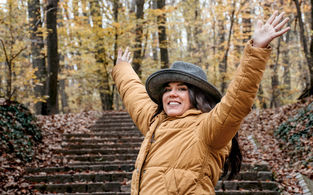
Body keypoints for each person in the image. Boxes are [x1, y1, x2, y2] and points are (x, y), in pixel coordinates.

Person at [112, 11, 290, 194]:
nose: (172, 94)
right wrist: (122, 68)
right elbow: (135, 95)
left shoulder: (208, 128)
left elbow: (237, 101)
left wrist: (257, 50)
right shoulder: (155, 122)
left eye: (182, 89)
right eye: (168, 89)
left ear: (197, 97)